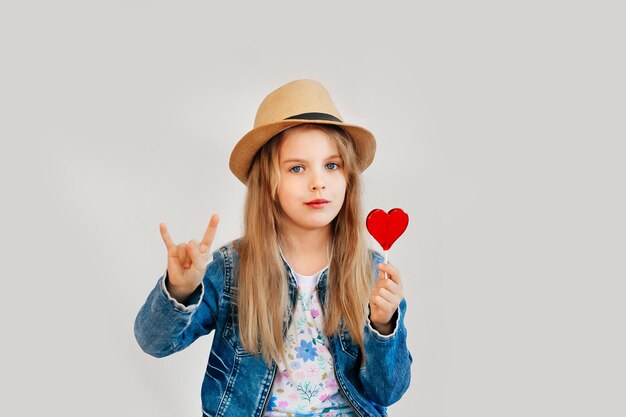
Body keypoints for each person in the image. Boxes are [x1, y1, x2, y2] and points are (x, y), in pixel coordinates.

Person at [134, 79, 412, 416]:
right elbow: (154, 343)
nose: (318, 181)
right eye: (297, 168)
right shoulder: (231, 269)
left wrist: (383, 327)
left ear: (348, 179)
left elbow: (388, 391)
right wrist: (179, 289)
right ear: (268, 183)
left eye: (332, 165)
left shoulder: (370, 271)